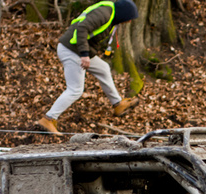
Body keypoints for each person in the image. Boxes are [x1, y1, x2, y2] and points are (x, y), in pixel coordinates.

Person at [37, 0, 140, 135]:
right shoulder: (104, 13)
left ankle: (118, 104)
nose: (129, 21)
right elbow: (82, 28)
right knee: (75, 90)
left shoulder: (111, 15)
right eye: (129, 18)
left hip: (77, 50)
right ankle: (48, 119)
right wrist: (85, 54)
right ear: (123, 14)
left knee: (103, 68)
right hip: (71, 51)